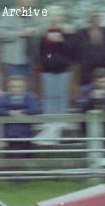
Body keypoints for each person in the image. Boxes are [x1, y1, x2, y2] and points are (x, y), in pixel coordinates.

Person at [36, 5, 78, 145]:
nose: (55, 17)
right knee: (49, 96)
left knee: (61, 95)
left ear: (62, 17)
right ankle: (50, 124)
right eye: (52, 14)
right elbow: (40, 51)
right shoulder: (43, 32)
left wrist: (62, 40)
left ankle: (59, 125)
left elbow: (73, 51)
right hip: (47, 69)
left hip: (63, 68)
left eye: (58, 15)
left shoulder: (68, 31)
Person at [0, 75, 41, 158]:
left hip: (26, 135)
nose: (16, 89)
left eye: (19, 86)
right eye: (13, 86)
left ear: (25, 87)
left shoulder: (29, 97)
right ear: (9, 88)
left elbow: (36, 109)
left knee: (26, 159)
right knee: (12, 160)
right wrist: (10, 112)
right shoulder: (4, 98)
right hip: (11, 136)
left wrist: (23, 111)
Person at [0, 0, 40, 80]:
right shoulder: (9, 13)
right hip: (14, 59)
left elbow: (41, 29)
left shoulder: (35, 15)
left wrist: (35, 31)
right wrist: (20, 34)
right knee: (15, 87)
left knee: (27, 88)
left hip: (30, 58)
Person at [77, 68, 105, 141]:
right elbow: (82, 108)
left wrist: (103, 107)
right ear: (94, 82)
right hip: (89, 124)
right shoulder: (86, 89)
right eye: (102, 82)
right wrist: (91, 99)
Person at [76, 11, 105, 86]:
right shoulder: (81, 32)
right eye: (94, 17)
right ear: (89, 19)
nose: (97, 19)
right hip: (88, 68)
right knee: (89, 89)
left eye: (99, 17)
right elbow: (77, 49)